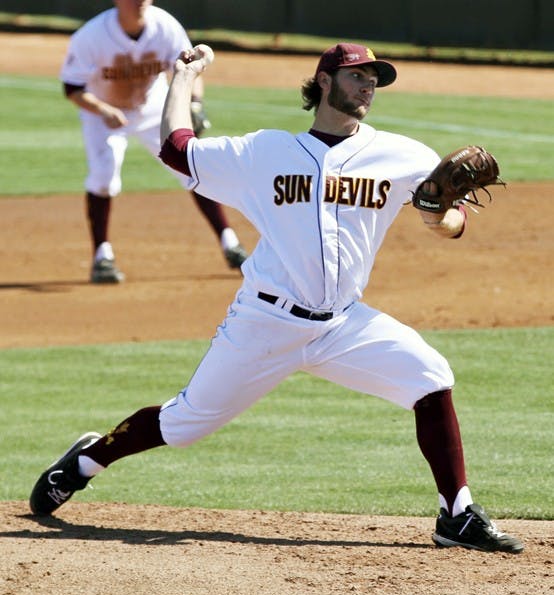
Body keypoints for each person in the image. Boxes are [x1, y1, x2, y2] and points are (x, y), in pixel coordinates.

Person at [30, 42, 523, 553]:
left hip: (343, 324)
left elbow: (451, 224)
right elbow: (177, 149)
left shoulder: (402, 155)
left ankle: (456, 514)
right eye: (358, 76)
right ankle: (87, 459)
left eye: (374, 78)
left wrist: (433, 214)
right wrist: (183, 77)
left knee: (430, 376)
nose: (369, 85)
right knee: (183, 424)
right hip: (265, 322)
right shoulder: (263, 153)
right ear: (325, 82)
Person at [60, 0, 247, 283]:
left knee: (191, 166)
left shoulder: (165, 26)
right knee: (103, 177)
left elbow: (190, 68)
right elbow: (72, 88)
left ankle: (230, 243)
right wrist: (102, 110)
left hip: (154, 108)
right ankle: (102, 257)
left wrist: (195, 104)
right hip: (105, 113)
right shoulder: (92, 35)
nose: (140, 3)